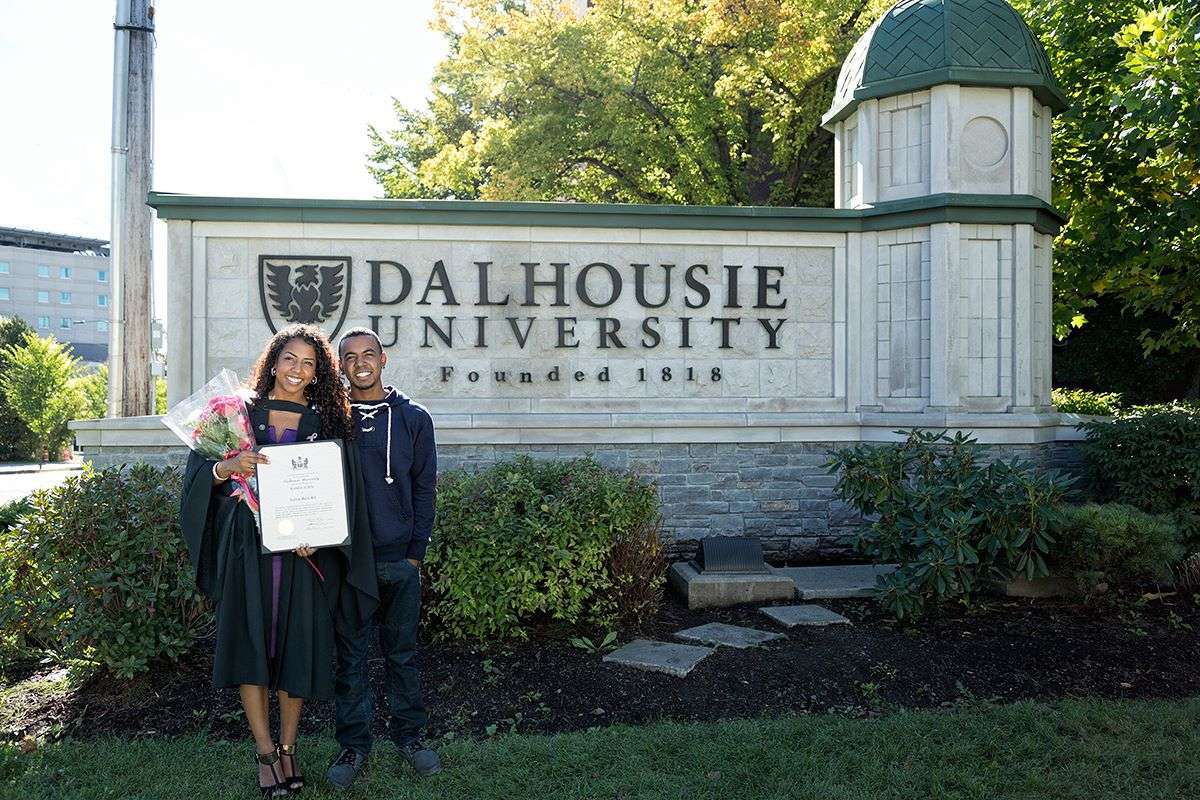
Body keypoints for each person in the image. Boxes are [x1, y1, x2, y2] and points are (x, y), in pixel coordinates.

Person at [179, 323, 378, 797]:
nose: (298, 370)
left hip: (301, 560)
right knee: (251, 646)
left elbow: (344, 495)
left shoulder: (329, 421)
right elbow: (196, 479)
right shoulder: (235, 412)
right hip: (247, 552)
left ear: (319, 374)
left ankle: (289, 748)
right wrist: (227, 467)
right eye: (290, 358)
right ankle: (265, 752)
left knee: (297, 650)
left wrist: (323, 536)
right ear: (273, 361)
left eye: (309, 364)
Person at [327, 326, 441, 789]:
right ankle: (354, 745)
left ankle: (410, 737)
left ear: (383, 359)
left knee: (402, 655)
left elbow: (425, 487)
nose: (360, 363)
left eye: (368, 354)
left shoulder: (414, 418)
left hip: (400, 562)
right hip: (349, 562)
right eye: (349, 357)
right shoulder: (330, 420)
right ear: (341, 366)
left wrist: (415, 554)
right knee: (350, 660)